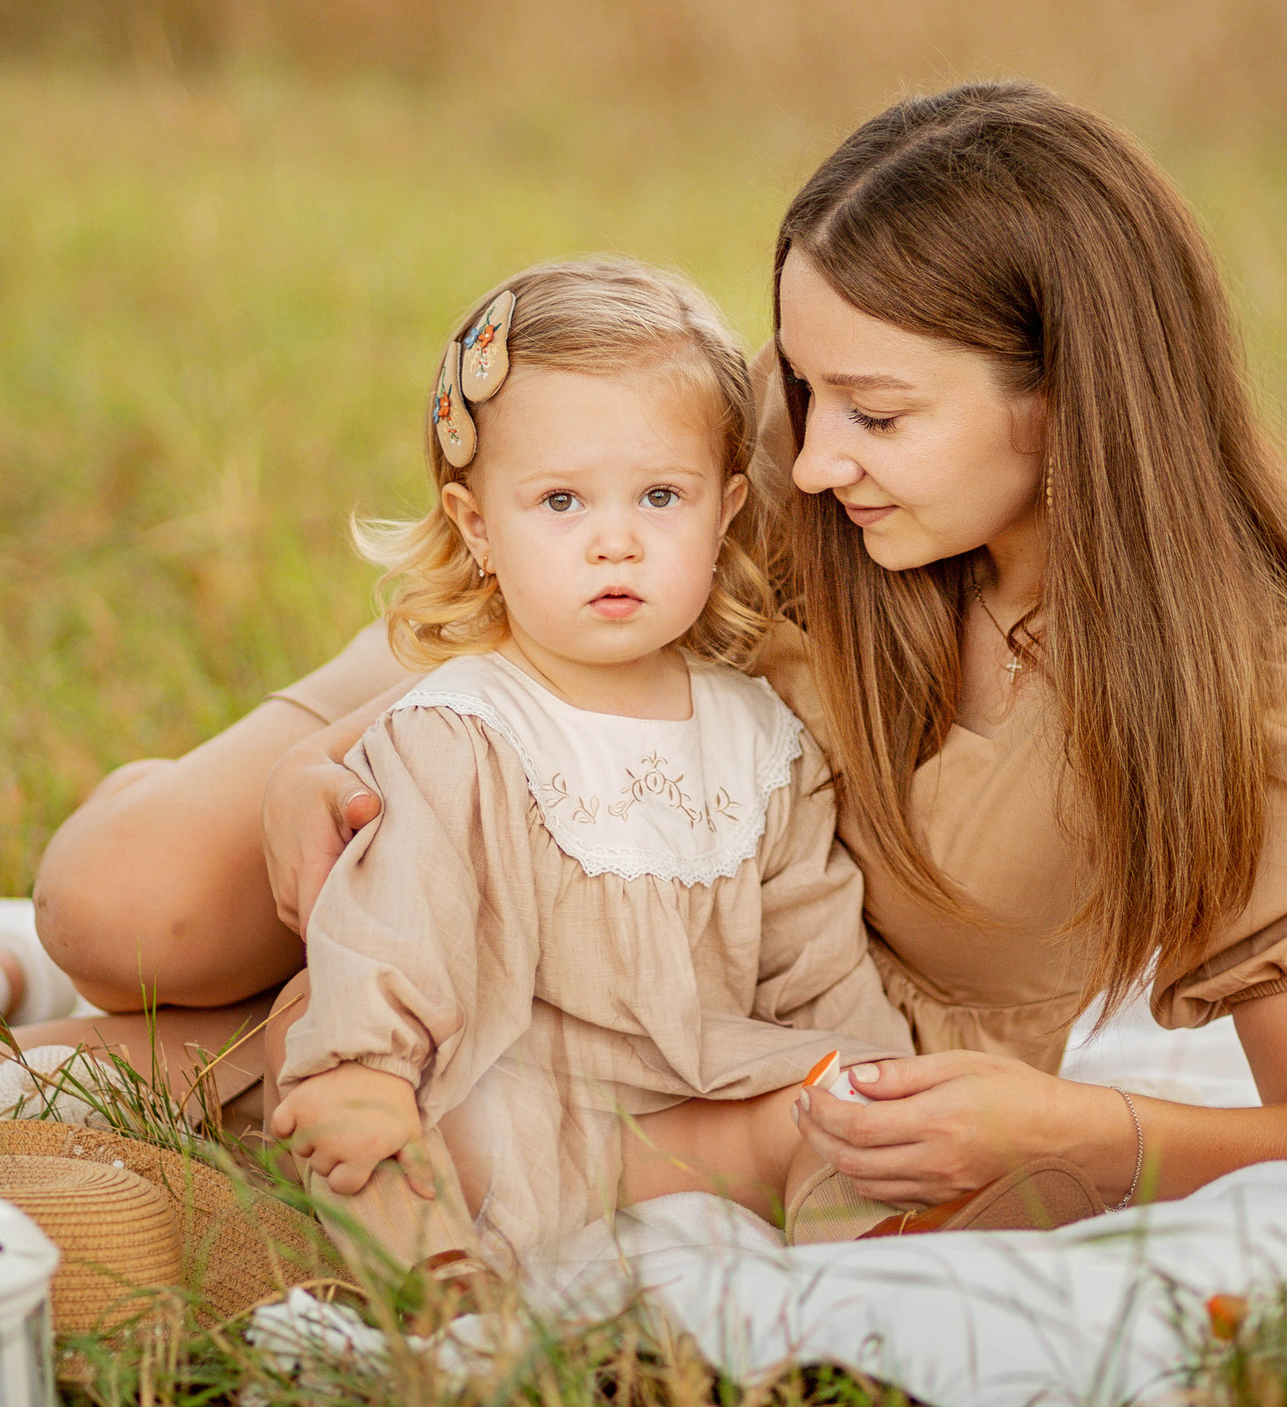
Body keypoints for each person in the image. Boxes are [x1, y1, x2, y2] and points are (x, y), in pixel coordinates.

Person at [0, 79, 1287, 1225]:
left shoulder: (1260, 698)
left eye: (877, 410)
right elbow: (588, 557)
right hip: (551, 732)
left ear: (1072, 402)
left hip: (692, 989)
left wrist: (1071, 1134)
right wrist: (357, 755)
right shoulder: (814, 513)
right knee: (127, 910)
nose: (812, 460)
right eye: (803, 388)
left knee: (309, 1104)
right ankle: (23, 953)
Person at [265, 255, 952, 1270]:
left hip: (689, 1105)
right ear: (477, 527)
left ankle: (880, 1275)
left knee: (836, 1111)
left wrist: (867, 1076)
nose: (615, 543)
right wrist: (368, 1069)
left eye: (660, 498)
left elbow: (814, 953)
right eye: (560, 504)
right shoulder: (463, 728)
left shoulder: (760, 741)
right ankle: (443, 1298)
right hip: (503, 1095)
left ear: (724, 515)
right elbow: (392, 929)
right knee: (376, 1136)